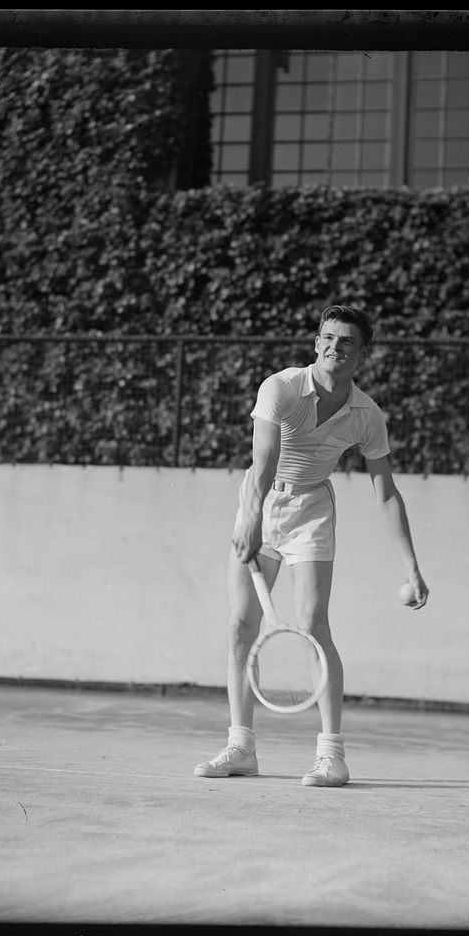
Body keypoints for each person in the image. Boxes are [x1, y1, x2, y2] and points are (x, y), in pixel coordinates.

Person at [194, 304, 429, 787]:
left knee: (313, 624)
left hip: (313, 512)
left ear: (362, 354)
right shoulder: (280, 387)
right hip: (262, 501)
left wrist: (412, 568)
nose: (333, 348)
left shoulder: (367, 415)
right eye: (327, 337)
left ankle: (332, 755)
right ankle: (241, 747)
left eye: (346, 342)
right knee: (241, 624)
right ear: (315, 341)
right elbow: (263, 460)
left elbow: (385, 492)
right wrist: (252, 517)